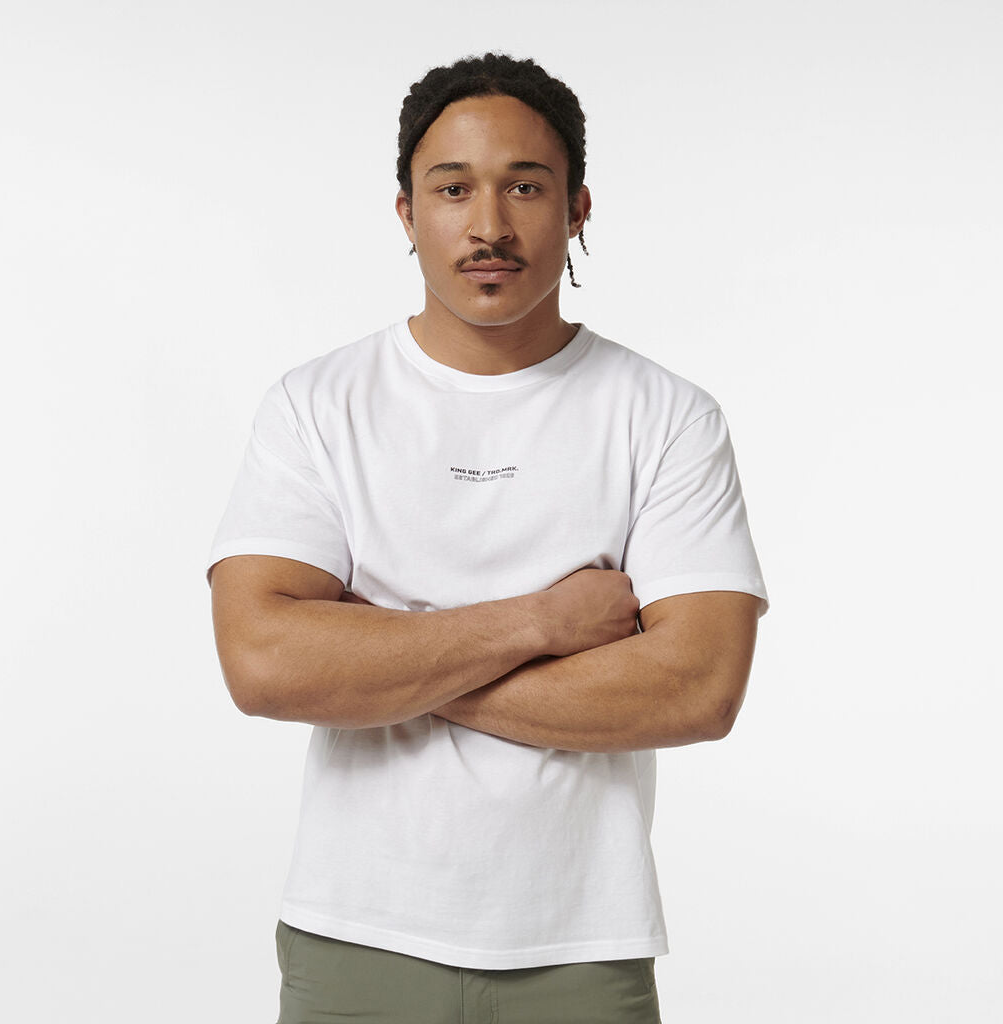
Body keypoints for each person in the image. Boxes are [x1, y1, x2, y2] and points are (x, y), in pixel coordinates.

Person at [208, 52, 768, 1024]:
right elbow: (264, 663)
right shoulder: (317, 406)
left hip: (580, 943)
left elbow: (698, 686)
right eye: (453, 188)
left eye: (525, 186)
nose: (490, 226)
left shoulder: (666, 416)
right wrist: (543, 623)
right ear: (406, 212)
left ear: (577, 208)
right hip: (355, 930)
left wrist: (380, 655)